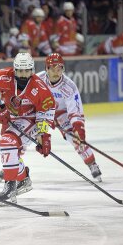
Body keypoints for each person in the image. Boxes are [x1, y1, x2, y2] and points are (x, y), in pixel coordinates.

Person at [0, 52, 55, 204]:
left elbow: (46, 110)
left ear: (32, 70)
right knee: (7, 149)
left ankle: (10, 187)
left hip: (30, 119)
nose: (23, 75)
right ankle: (23, 179)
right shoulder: (2, 76)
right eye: (20, 71)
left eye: (27, 71)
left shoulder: (40, 88)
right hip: (10, 117)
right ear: (14, 69)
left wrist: (42, 134)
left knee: (7, 143)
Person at [38, 53, 102, 181]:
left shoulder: (69, 86)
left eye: (59, 68)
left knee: (74, 137)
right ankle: (13, 165)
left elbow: (75, 111)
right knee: (25, 133)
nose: (56, 72)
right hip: (42, 112)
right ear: (46, 68)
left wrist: (79, 130)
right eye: (53, 69)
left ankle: (92, 164)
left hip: (62, 113)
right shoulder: (37, 80)